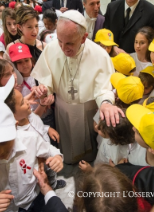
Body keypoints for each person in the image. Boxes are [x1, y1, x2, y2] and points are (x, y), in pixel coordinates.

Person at [31, 10, 123, 164]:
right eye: (60, 40)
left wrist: (106, 103)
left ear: (84, 37)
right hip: (62, 109)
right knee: (66, 144)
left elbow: (103, 89)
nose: (63, 48)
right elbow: (47, 79)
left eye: (69, 43)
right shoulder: (52, 48)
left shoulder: (99, 55)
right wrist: (44, 89)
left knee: (87, 148)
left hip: (87, 110)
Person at [0, 98, 63, 211]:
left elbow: (49, 150)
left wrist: (57, 157)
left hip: (34, 199)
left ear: (15, 126)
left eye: (4, 142)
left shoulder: (30, 138)